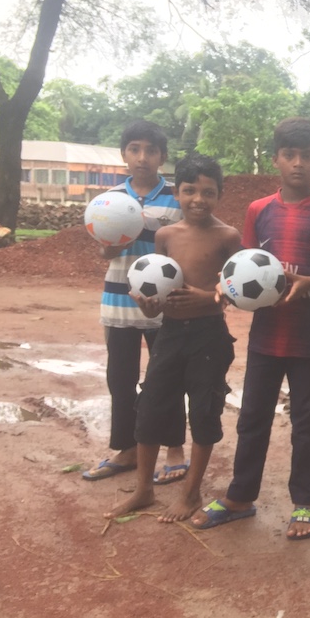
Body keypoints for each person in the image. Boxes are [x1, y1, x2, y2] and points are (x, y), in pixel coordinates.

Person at [191, 117, 310, 541]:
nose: (298, 163)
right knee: (252, 419)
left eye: (306, 156)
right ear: (276, 160)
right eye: (289, 155)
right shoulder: (258, 211)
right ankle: (240, 497)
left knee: (306, 425)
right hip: (266, 337)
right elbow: (244, 267)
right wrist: (227, 288)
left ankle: (303, 503)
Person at [104, 152, 240, 522]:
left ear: (219, 195)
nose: (198, 199)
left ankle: (191, 493)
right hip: (169, 333)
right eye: (189, 190)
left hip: (209, 336)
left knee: (204, 412)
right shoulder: (165, 236)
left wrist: (208, 298)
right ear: (176, 193)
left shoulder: (228, 236)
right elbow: (159, 291)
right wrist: (151, 308)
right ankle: (144, 490)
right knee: (150, 407)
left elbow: (238, 289)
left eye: (208, 192)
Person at [84, 120, 187, 484]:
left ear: (162, 156)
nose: (143, 157)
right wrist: (110, 248)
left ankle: (175, 449)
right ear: (124, 154)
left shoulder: (177, 197)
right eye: (135, 149)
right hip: (119, 300)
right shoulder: (108, 200)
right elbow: (103, 251)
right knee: (120, 378)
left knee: (168, 378)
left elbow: (185, 244)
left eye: (151, 150)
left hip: (164, 304)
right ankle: (126, 449)